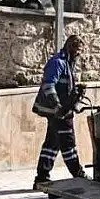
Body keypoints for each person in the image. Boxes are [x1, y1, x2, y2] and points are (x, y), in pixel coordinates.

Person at [32, 35, 89, 188]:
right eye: (78, 51)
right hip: (58, 112)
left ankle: (41, 177)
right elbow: (48, 86)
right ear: (70, 47)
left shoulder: (68, 63)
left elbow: (65, 88)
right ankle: (78, 174)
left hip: (61, 111)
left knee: (52, 144)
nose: (79, 55)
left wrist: (76, 96)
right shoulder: (58, 63)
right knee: (68, 142)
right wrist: (57, 107)